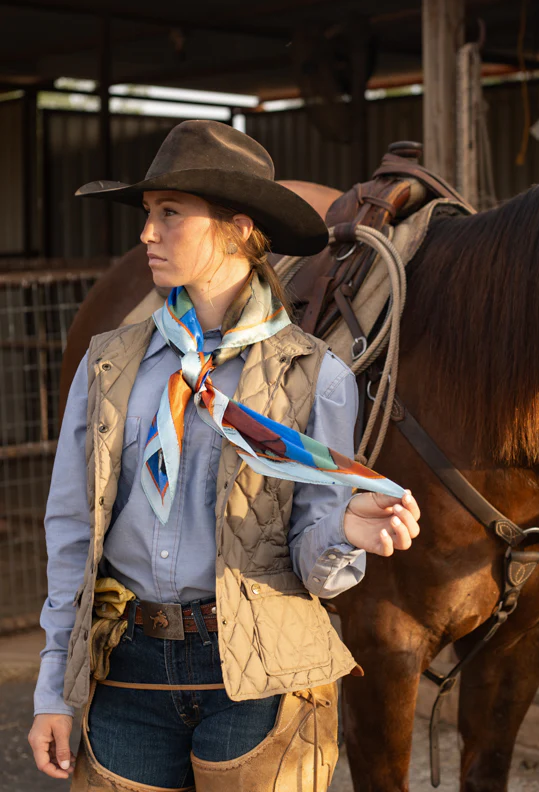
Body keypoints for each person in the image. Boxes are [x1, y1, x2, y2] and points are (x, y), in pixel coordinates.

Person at [28, 120, 421, 791]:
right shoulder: (109, 366)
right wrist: (51, 692)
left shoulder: (315, 377)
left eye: (170, 214)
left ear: (238, 229)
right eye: (149, 214)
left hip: (256, 676)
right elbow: (71, 534)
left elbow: (310, 563)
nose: (146, 233)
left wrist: (343, 535)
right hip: (126, 670)